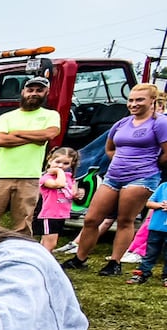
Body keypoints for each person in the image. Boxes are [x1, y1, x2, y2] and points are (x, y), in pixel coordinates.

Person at [66, 83, 167, 276]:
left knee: (124, 220)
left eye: (139, 100)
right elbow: (109, 148)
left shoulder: (159, 123)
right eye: (131, 100)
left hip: (141, 178)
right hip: (113, 176)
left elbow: (166, 153)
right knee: (91, 219)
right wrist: (120, 161)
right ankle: (80, 258)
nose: (133, 104)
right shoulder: (122, 123)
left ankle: (114, 263)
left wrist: (148, 165)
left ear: (152, 101)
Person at [0, 77, 61, 237]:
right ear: (23, 92)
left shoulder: (51, 115)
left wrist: (16, 133)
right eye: (30, 90)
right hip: (1, 176)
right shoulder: (6, 117)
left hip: (29, 176)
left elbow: (49, 134)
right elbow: (0, 140)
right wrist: (35, 138)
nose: (34, 94)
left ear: (46, 93)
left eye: (39, 90)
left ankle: (21, 253)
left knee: (23, 223)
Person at [36, 148, 79, 253]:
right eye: (57, 162)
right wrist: (59, 171)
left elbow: (72, 192)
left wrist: (76, 193)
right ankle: (45, 263)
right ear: (50, 160)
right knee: (50, 243)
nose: (60, 165)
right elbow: (58, 184)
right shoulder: (46, 177)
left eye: (66, 163)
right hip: (49, 214)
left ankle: (43, 261)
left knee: (48, 242)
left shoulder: (69, 177)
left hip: (62, 214)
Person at [130, 175, 167, 285]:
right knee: (150, 252)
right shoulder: (163, 187)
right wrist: (159, 205)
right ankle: (143, 273)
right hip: (156, 227)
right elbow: (148, 203)